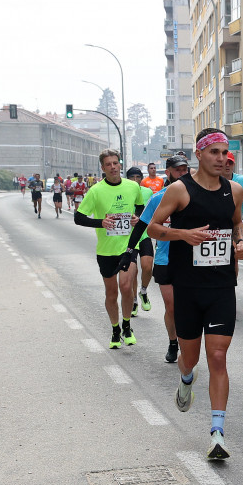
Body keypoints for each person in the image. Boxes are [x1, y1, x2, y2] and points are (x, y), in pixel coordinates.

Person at [147, 128, 243, 460]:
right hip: (187, 287)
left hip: (220, 286)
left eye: (225, 153)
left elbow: (237, 223)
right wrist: (182, 234)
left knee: (218, 357)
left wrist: (241, 242)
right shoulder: (179, 190)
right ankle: (187, 378)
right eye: (215, 152)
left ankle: (217, 432)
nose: (222, 158)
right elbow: (152, 227)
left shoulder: (233, 190)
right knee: (189, 358)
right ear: (200, 154)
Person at [74, 149, 146, 348]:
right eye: (109, 164)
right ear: (103, 168)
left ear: (120, 164)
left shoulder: (133, 186)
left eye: (116, 163)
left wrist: (136, 218)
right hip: (106, 250)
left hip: (128, 246)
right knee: (111, 293)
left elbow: (140, 207)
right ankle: (115, 329)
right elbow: (78, 218)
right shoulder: (96, 191)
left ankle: (127, 325)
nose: (113, 167)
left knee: (126, 286)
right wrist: (101, 223)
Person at [125, 155, 189, 363]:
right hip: (165, 259)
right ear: (168, 173)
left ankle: (188, 344)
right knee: (171, 307)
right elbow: (141, 227)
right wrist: (128, 252)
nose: (182, 173)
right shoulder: (157, 198)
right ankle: (173, 342)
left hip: (191, 260)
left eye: (185, 169)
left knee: (188, 307)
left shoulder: (194, 197)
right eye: (178, 170)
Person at [125, 167, 154, 318]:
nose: (135, 179)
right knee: (132, 271)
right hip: (129, 237)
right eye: (132, 177)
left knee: (147, 267)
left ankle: (143, 291)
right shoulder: (123, 191)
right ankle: (134, 301)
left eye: (138, 177)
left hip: (144, 234)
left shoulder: (148, 192)